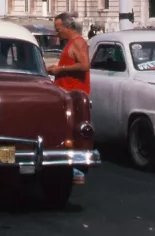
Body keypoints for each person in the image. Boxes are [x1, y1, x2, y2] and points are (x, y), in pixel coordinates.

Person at [48, 12, 90, 184]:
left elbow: (85, 65)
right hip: (66, 95)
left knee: (74, 132)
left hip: (75, 95)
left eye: (58, 29)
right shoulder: (71, 43)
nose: (57, 33)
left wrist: (60, 69)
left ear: (67, 27)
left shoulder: (78, 42)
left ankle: (77, 170)